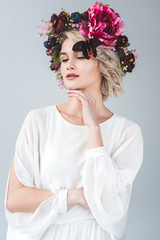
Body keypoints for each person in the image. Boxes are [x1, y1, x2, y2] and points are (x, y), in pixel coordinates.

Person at [4, 2, 143, 240]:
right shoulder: (39, 121)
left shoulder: (127, 132)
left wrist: (93, 128)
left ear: (104, 63)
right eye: (65, 57)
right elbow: (14, 200)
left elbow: (110, 206)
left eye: (80, 56)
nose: (69, 64)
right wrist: (73, 196)